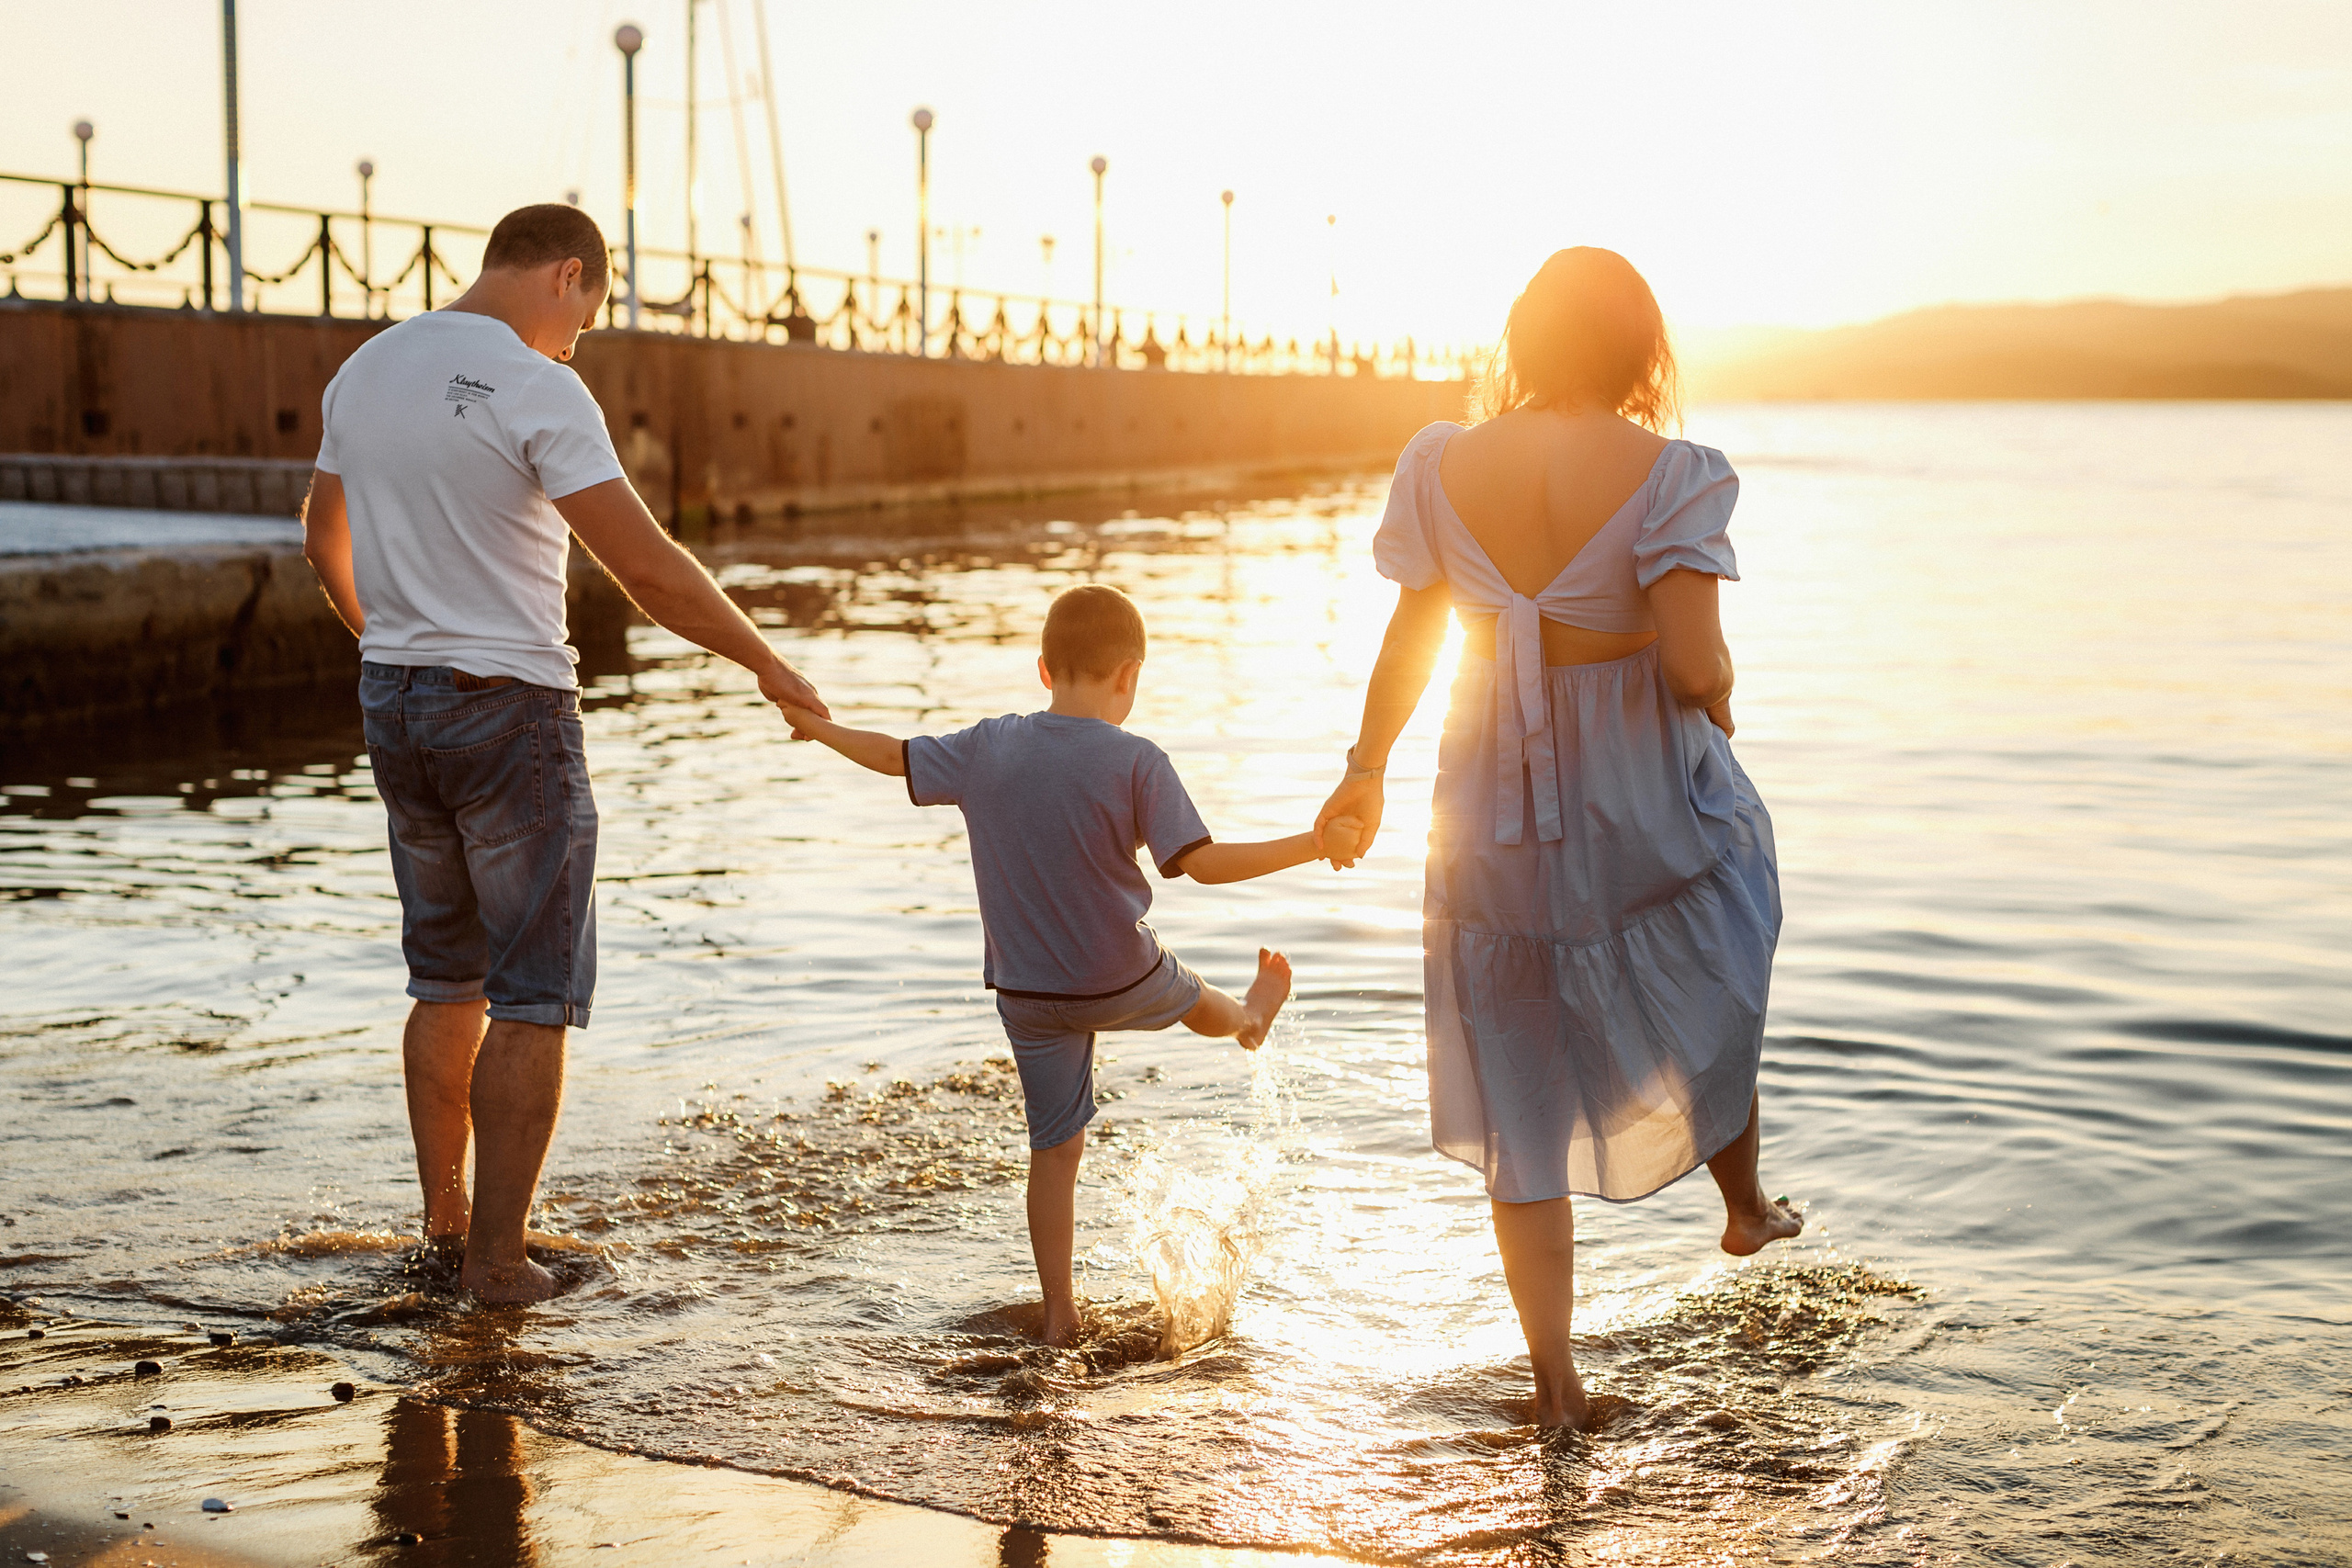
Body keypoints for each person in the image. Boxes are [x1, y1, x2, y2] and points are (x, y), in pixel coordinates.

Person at [299, 203, 828, 1303]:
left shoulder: (366, 369)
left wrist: (391, 646)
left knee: (444, 978)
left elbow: (320, 532)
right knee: (533, 995)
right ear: (566, 275)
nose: (578, 340)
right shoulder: (535, 384)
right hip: (510, 711)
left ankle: (448, 1229)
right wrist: (767, 662)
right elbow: (649, 569)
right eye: (587, 314)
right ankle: (497, 1267)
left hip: (393, 702)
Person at [1314, 248, 1801, 1428]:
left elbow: (1411, 642)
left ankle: (1554, 1385)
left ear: (1522, 341)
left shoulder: (1439, 461)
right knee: (1714, 958)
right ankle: (1742, 1206)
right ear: (1641, 350)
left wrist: (1364, 770)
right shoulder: (1673, 472)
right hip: (1629, 791)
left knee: (1515, 1078)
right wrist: (1724, 692)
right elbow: (1692, 665)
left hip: (1487, 797)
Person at [780, 584, 1356, 1348]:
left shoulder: (987, 746)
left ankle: (1059, 1314)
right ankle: (1250, 1020)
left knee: (1054, 1151)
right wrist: (1313, 844)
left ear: (1044, 669)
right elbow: (1204, 864)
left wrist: (818, 727)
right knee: (1196, 999)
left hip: (1026, 991)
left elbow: (892, 756)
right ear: (1130, 674)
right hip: (1118, 975)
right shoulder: (1138, 760)